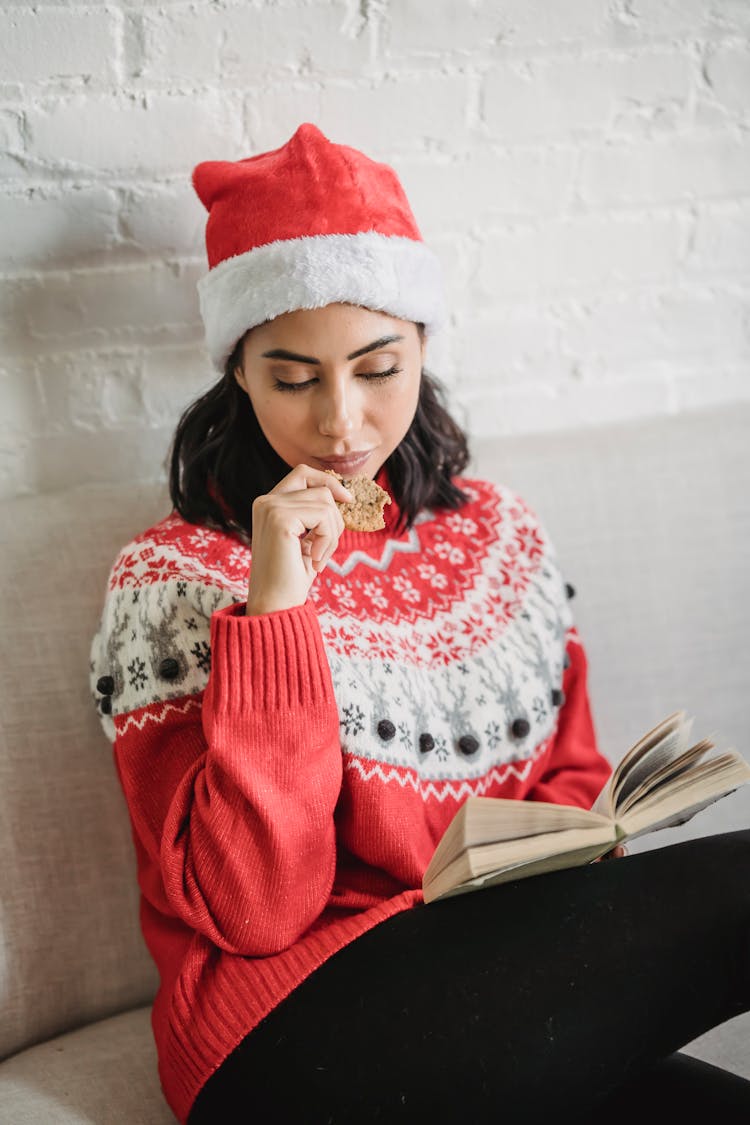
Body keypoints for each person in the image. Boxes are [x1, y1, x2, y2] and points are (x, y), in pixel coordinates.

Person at [90, 123, 750, 1125]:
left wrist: (582, 855)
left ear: (426, 344)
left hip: (499, 997)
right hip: (287, 1037)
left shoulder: (498, 532)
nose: (341, 423)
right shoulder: (171, 577)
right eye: (294, 377)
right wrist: (274, 610)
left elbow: (569, 779)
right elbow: (254, 912)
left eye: (376, 366)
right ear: (238, 371)